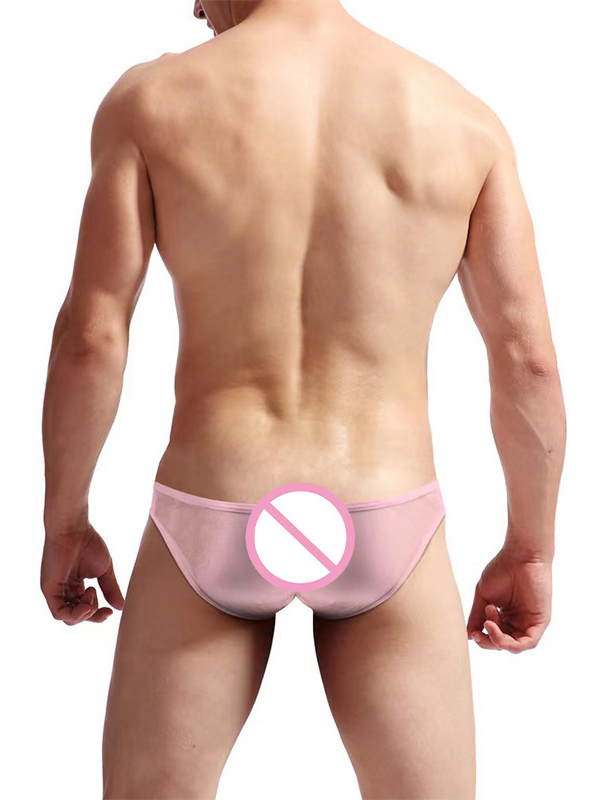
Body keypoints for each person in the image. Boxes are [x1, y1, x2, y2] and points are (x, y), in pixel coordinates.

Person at [40, 1, 567, 797]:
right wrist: (531, 549)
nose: (194, 7)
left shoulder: (153, 101)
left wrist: (65, 521)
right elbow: (527, 362)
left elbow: (91, 338)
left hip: (213, 499)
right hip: (386, 510)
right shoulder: (462, 121)